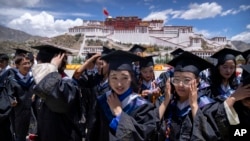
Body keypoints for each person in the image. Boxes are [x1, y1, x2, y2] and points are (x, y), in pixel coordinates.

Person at [89, 50, 157, 141]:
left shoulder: (143, 107)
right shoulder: (102, 101)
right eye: (114, 77)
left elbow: (143, 137)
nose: (119, 84)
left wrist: (119, 114)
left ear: (131, 78)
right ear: (108, 78)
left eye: (124, 77)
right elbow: (93, 135)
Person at [155, 51, 217, 141]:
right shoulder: (166, 102)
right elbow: (151, 129)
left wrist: (194, 105)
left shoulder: (207, 105)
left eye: (186, 80)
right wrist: (165, 102)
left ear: (197, 81)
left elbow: (210, 136)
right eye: (176, 79)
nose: (180, 85)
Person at [31, 44, 84, 141]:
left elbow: (59, 103)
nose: (37, 69)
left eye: (40, 65)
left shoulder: (68, 84)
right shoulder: (40, 84)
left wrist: (51, 68)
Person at [205, 48, 250, 140]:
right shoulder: (208, 87)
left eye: (232, 67)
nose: (228, 71)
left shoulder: (237, 85)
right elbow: (208, 112)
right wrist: (234, 98)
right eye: (224, 67)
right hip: (217, 130)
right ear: (218, 66)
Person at [0, 52, 35, 141]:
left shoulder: (33, 78)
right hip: (17, 114)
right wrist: (12, 100)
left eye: (28, 63)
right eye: (24, 64)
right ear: (17, 65)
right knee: (19, 136)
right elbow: (8, 94)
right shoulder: (12, 80)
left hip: (32, 114)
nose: (27, 65)